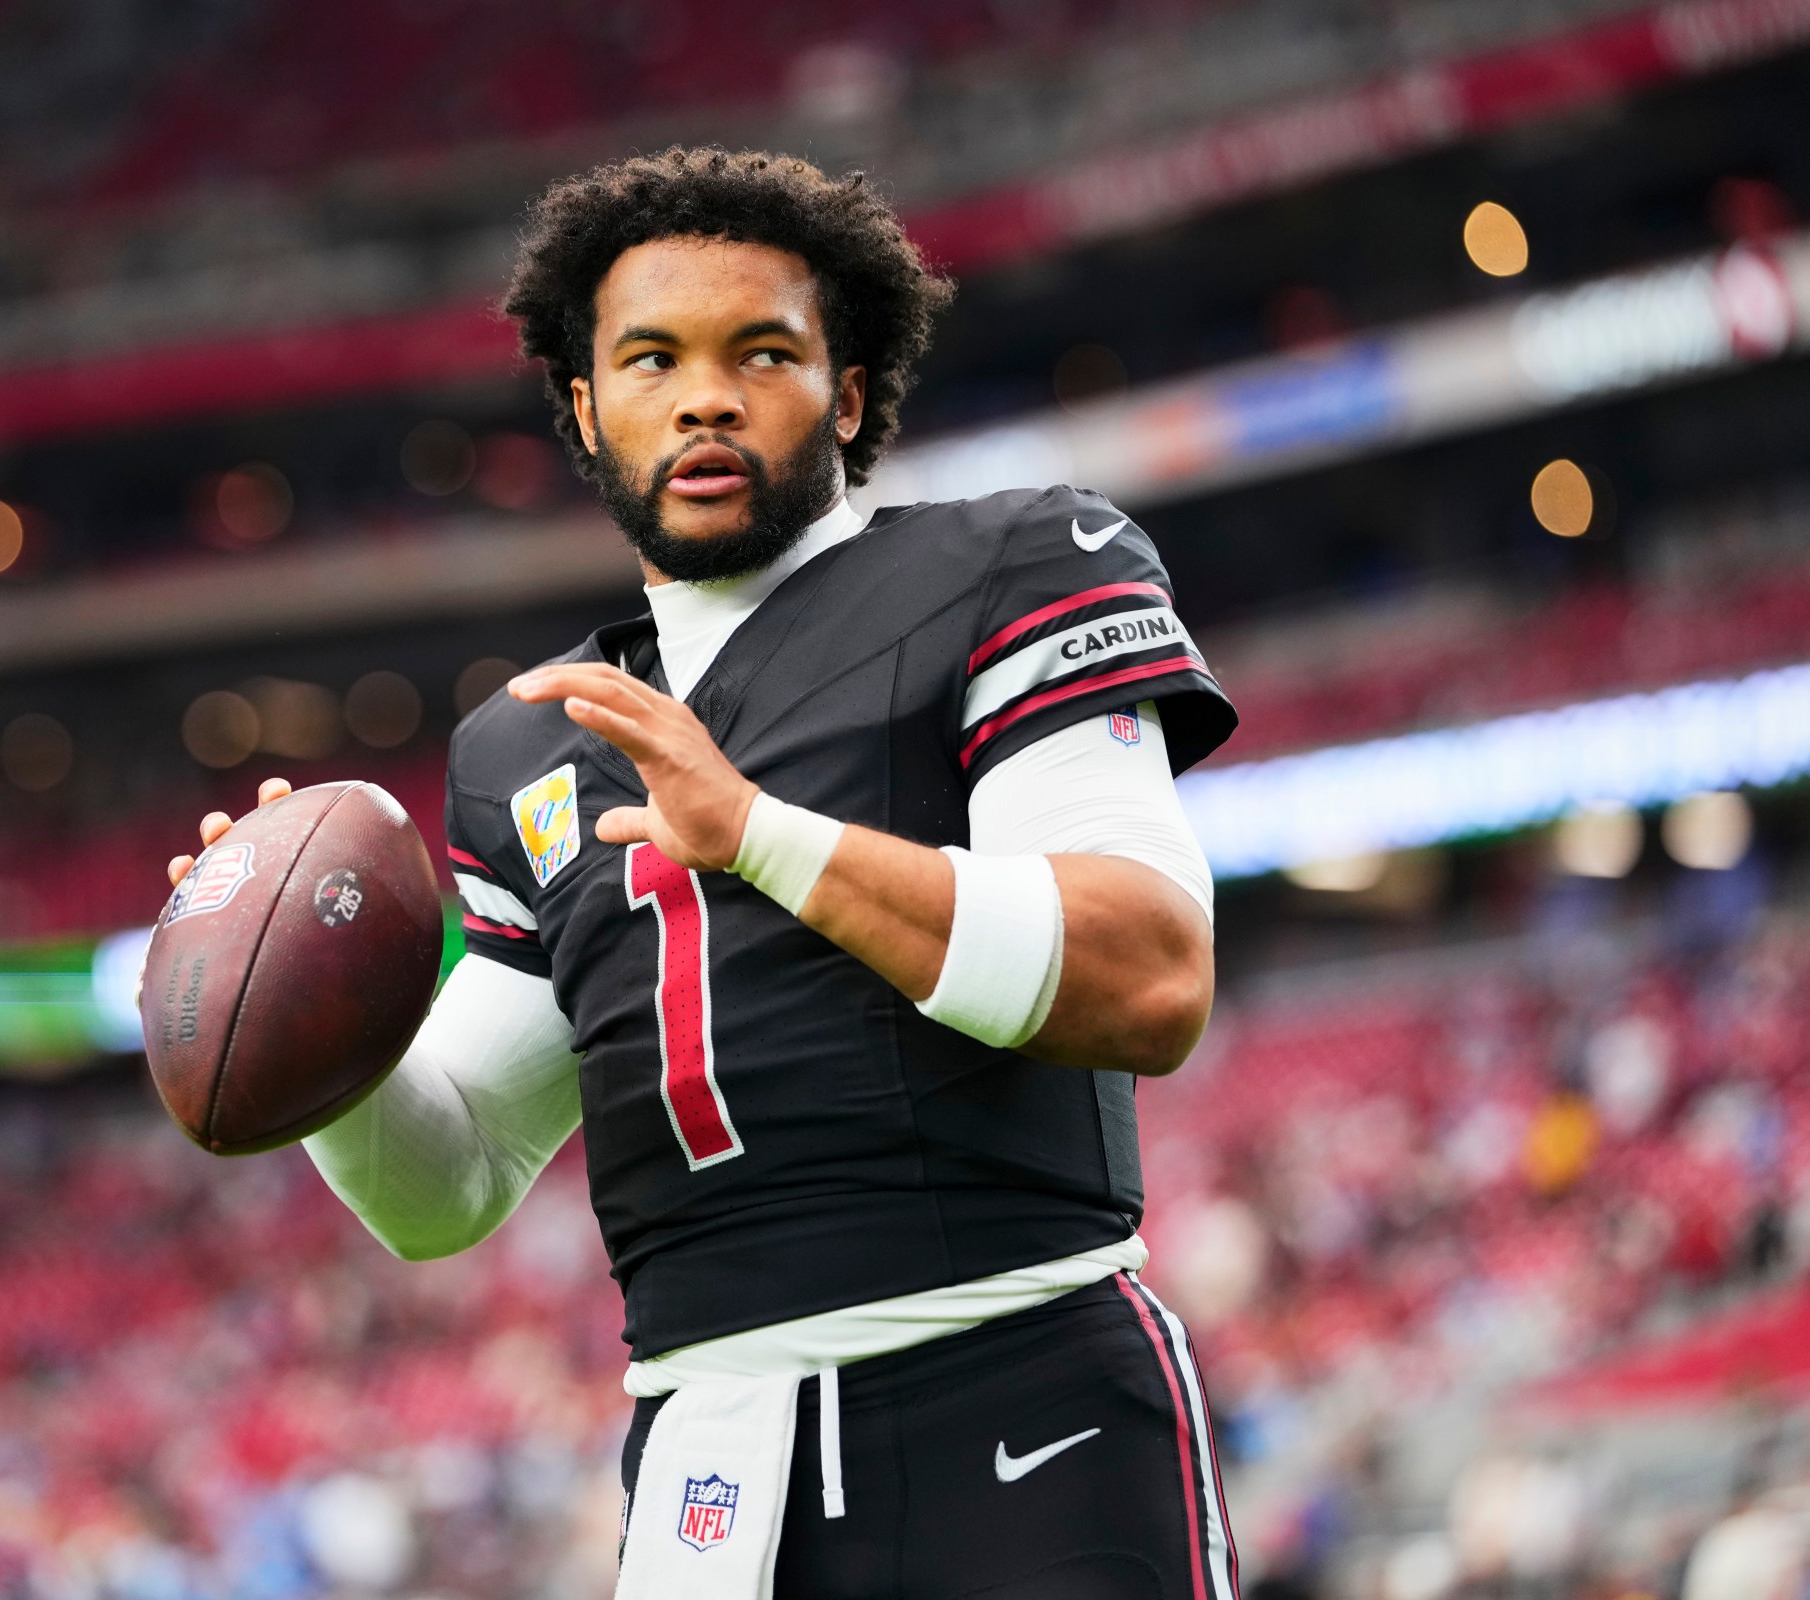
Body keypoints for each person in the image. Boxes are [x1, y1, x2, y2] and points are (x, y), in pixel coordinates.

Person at [168, 147, 1240, 1599]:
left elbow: (1149, 974)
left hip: (1019, 1388)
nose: (706, 398)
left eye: (765, 353)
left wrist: (759, 836)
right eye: (652, 359)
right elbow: (451, 1184)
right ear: (585, 409)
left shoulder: (1015, 565)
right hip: (707, 1469)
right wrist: (314, 1031)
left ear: (847, 394)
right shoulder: (529, 743)